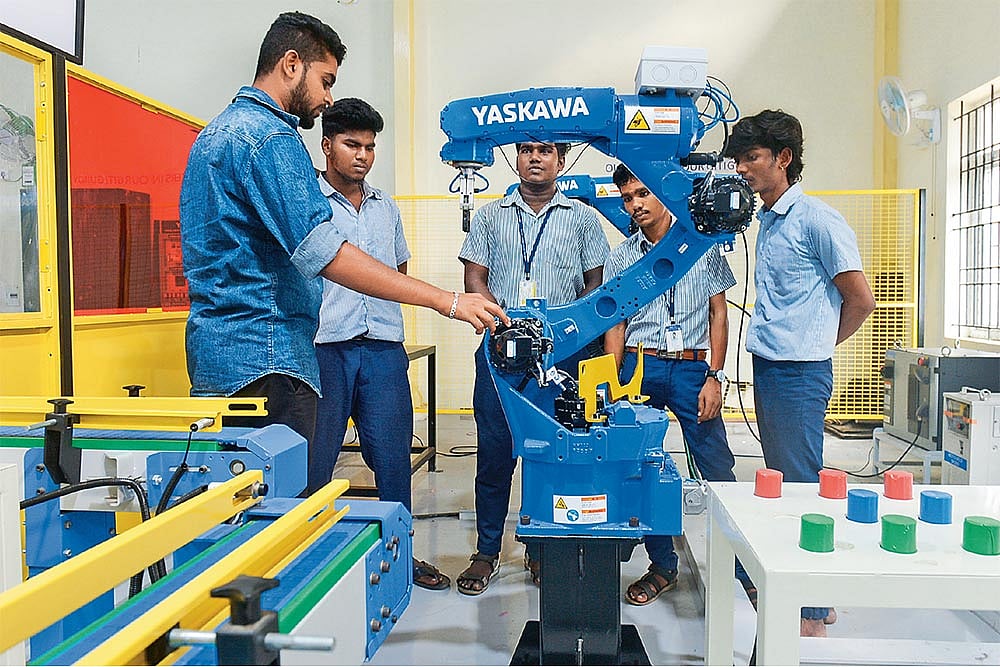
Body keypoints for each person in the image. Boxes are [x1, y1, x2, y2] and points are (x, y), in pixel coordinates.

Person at [180, 13, 506, 498]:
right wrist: (448, 301)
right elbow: (325, 252)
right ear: (292, 65)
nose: (327, 96)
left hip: (224, 357)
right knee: (283, 508)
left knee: (238, 507)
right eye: (325, 80)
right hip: (270, 361)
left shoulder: (215, 136)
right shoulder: (270, 137)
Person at [724, 109, 876, 637]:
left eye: (753, 158)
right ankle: (812, 599)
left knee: (800, 487)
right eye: (739, 159)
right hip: (771, 366)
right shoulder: (765, 220)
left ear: (783, 159)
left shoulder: (817, 220)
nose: (742, 168)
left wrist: (817, 345)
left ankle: (810, 614)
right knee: (782, 481)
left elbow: (860, 299)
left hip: (798, 371)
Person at [456, 141, 610, 595]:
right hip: (500, 352)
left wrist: (570, 333)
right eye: (526, 150)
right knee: (495, 452)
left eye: (546, 151)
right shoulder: (489, 216)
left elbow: (594, 285)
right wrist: (499, 321)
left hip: (562, 354)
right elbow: (474, 277)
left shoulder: (583, 218)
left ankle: (543, 545)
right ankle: (487, 552)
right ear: (517, 158)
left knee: (554, 451)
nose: (535, 158)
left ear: (561, 161)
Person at [307, 98, 448, 590]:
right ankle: (311, 559)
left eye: (369, 146)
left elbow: (398, 273)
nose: (362, 155)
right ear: (327, 146)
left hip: (383, 348)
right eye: (351, 144)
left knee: (392, 460)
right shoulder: (308, 204)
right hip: (325, 349)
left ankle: (401, 555)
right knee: (316, 461)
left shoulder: (387, 207)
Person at [602, 164, 750, 605]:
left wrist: (715, 376)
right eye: (628, 197)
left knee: (717, 468)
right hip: (639, 366)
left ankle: (744, 569)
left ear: (663, 193)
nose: (637, 204)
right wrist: (613, 381)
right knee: (640, 466)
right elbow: (617, 320)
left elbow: (717, 314)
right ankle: (662, 564)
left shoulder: (702, 247)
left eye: (643, 192)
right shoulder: (622, 256)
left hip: (691, 370)